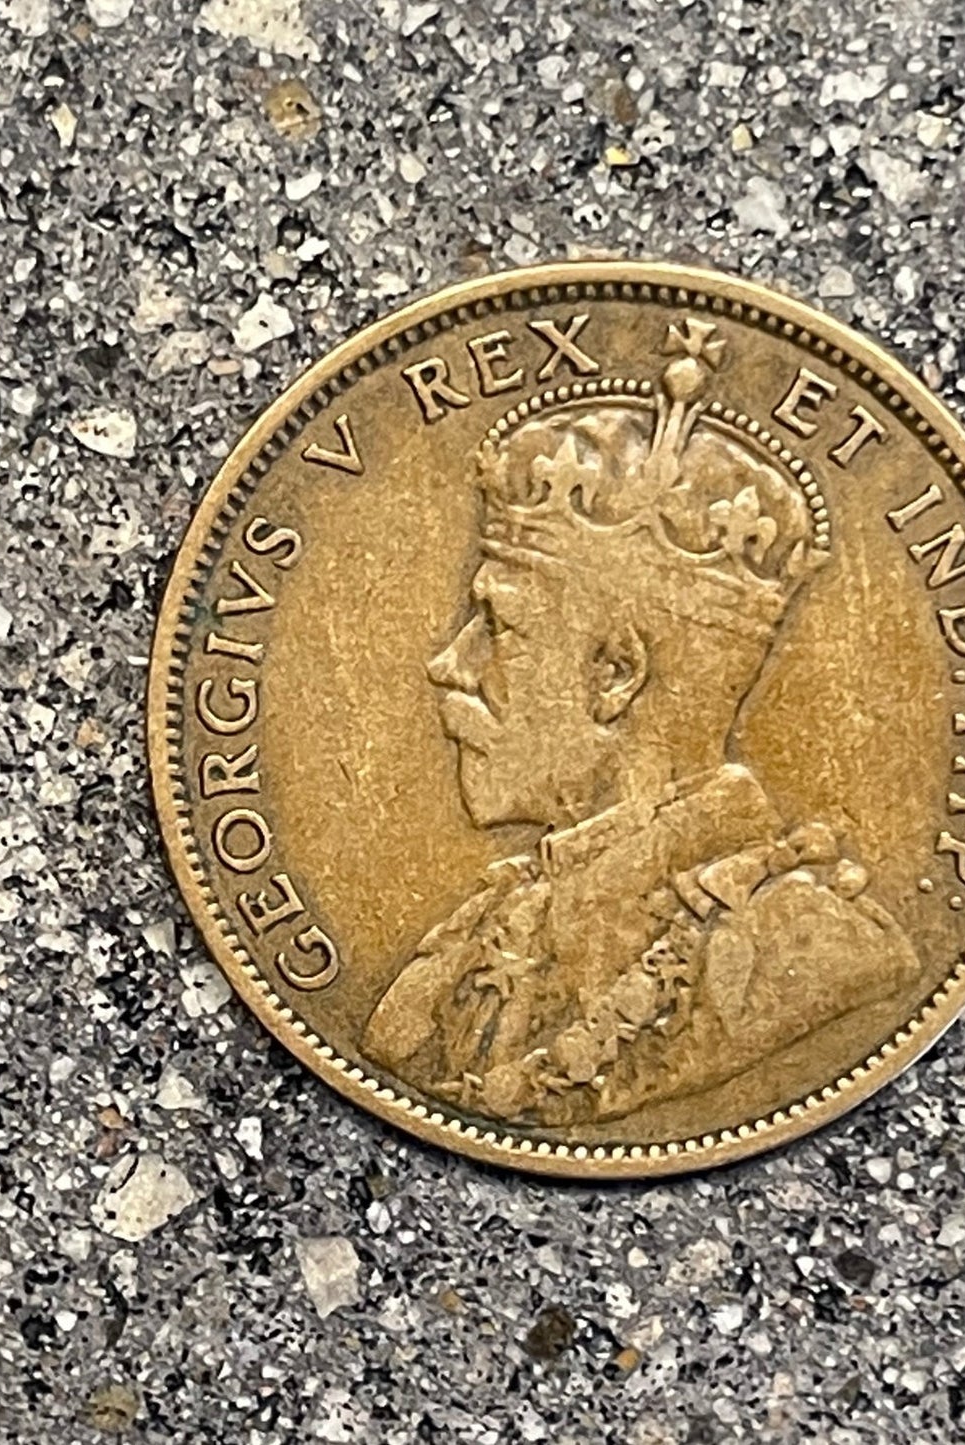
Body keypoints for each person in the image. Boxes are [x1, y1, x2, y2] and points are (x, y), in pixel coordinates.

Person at [363, 318, 920, 1124]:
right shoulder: (507, 911)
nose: (448, 663)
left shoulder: (805, 950)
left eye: (500, 627)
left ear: (615, 674)